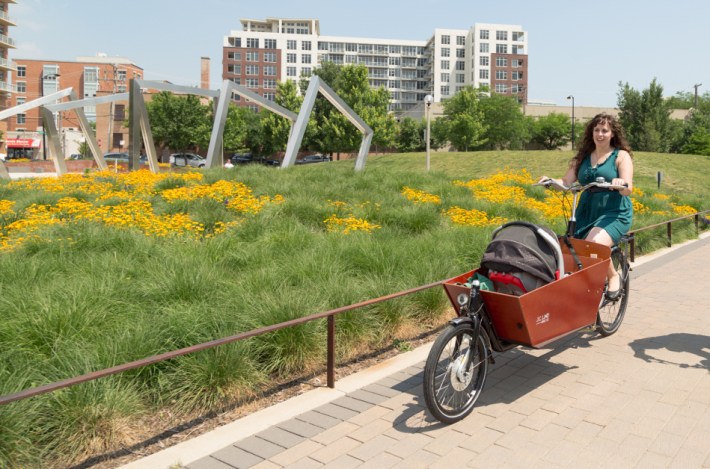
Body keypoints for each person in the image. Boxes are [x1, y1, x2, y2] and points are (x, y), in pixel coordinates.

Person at [538, 112, 634, 299]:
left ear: (612, 133)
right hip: (586, 211)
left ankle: (613, 276)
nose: (600, 134)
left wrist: (620, 183)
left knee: (593, 244)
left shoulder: (620, 156)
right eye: (596, 130)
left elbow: (628, 187)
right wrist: (550, 181)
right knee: (569, 249)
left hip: (614, 212)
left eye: (605, 130)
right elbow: (566, 182)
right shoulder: (582, 157)